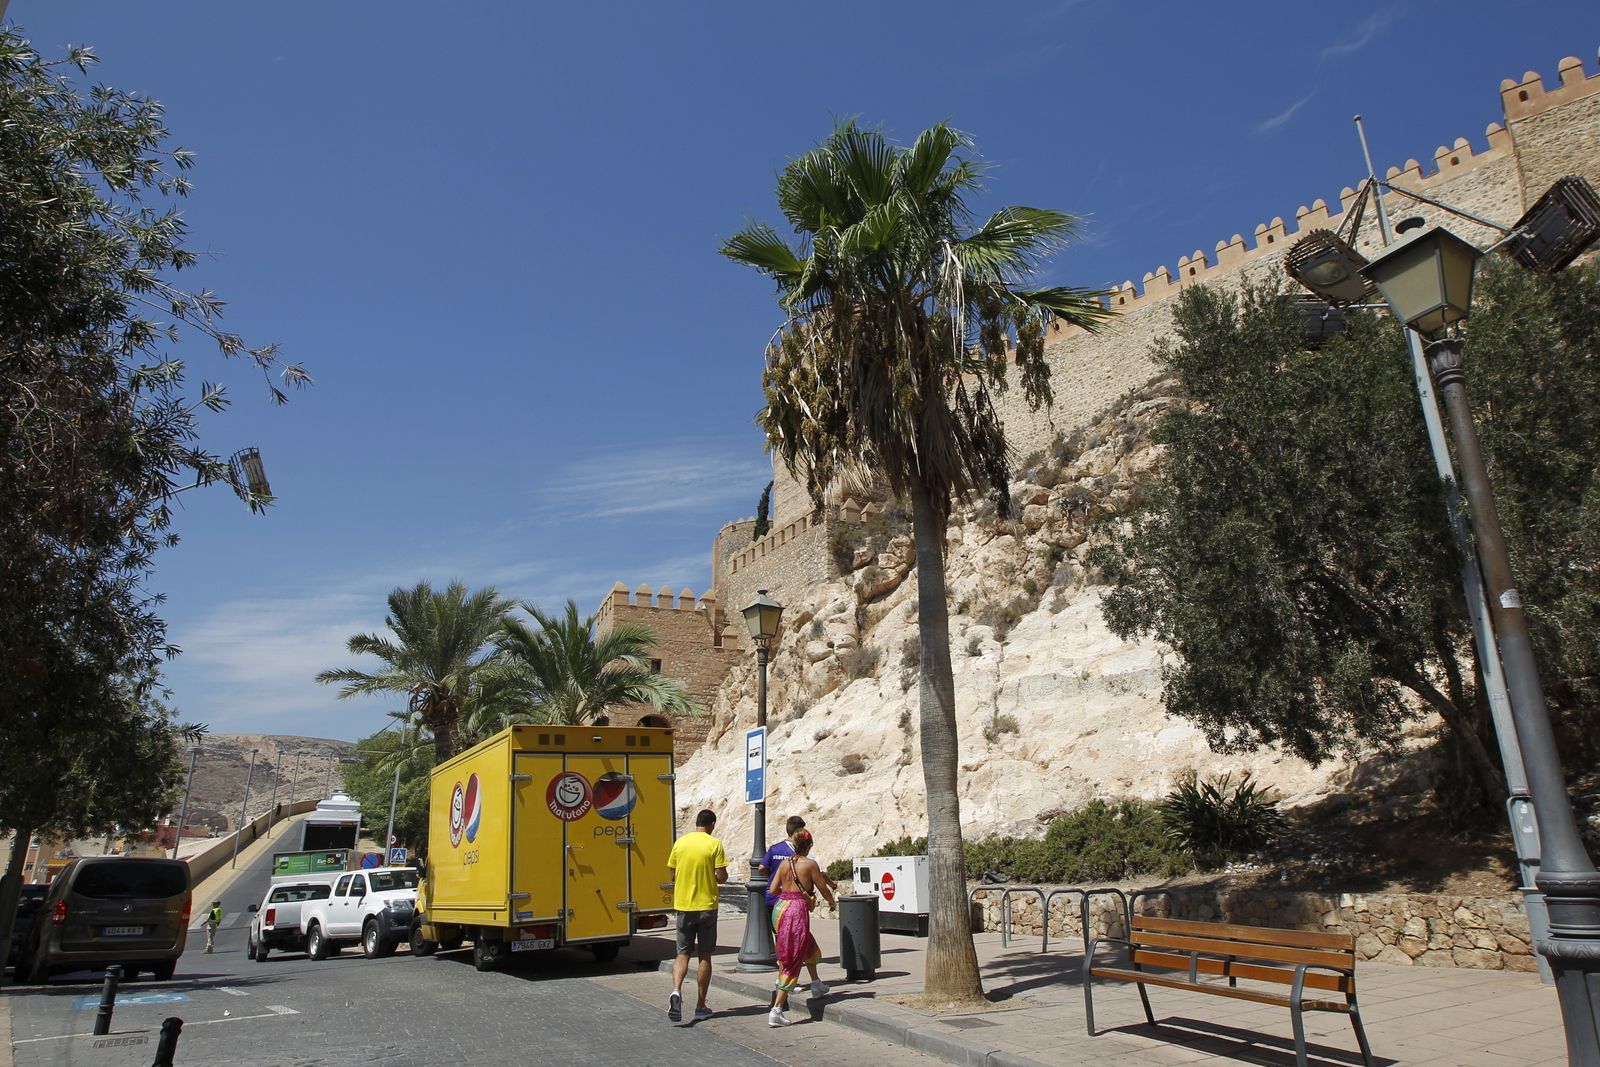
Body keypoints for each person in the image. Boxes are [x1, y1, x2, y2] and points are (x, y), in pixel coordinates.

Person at [759, 815, 835, 997]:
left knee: (805, 944)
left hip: (778, 906)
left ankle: (816, 983)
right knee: (791, 949)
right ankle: (779, 998)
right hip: (795, 910)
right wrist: (830, 900)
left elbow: (772, 886)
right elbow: (822, 887)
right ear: (807, 846)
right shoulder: (809, 864)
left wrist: (785, 893)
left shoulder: (784, 861)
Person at [666, 808, 727, 1024]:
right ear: (711, 824)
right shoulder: (714, 844)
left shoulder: (680, 843)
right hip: (706, 906)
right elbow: (721, 877)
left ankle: (676, 990)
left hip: (684, 905)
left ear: (696, 823)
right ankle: (701, 1005)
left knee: (682, 953)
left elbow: (671, 873)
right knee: (704, 955)